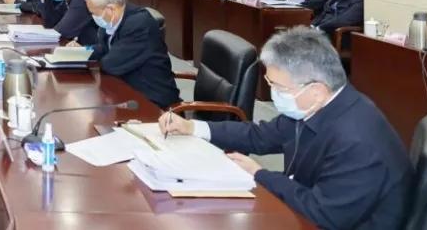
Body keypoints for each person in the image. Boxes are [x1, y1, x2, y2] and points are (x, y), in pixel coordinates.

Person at [159, 27, 412, 230]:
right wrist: (192, 127)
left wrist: (259, 174)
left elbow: (323, 214)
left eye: (278, 87)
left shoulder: (358, 141)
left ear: (316, 90)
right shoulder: (315, 106)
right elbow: (259, 136)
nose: (273, 94)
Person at [72, 0, 179, 108]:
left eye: (94, 13)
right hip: (126, 89)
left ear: (110, 9)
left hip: (152, 99)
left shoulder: (138, 24)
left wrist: (93, 59)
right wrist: (82, 51)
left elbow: (110, 64)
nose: (93, 17)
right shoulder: (110, 23)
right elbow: (103, 48)